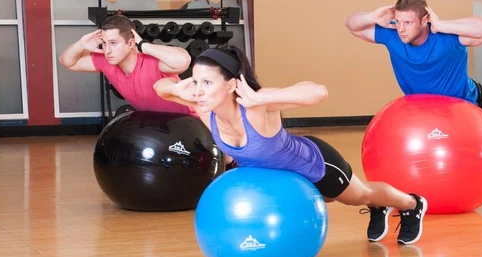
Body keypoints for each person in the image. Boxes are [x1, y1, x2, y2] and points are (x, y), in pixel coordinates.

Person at [154, 45, 429, 244]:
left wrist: (260, 99)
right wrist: (178, 88)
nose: (198, 90)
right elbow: (160, 88)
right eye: (196, 80)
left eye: (207, 82)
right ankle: (381, 206)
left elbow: (318, 92)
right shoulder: (204, 107)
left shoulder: (258, 106)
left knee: (360, 195)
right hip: (282, 181)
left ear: (230, 85)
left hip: (315, 165)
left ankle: (410, 203)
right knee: (332, 200)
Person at [345, 0, 482, 164]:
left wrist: (442, 26)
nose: (401, 29)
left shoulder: (446, 38)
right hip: (424, 111)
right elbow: (353, 26)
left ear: (425, 20)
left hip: (469, 103)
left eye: (408, 23)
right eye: (398, 21)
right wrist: (372, 17)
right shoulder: (392, 35)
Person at [58, 14, 194, 115]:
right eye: (104, 43)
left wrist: (143, 45)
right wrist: (80, 45)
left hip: (190, 121)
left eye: (113, 43)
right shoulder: (106, 61)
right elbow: (68, 62)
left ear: (130, 43)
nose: (107, 50)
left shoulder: (151, 61)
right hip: (157, 124)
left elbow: (184, 61)